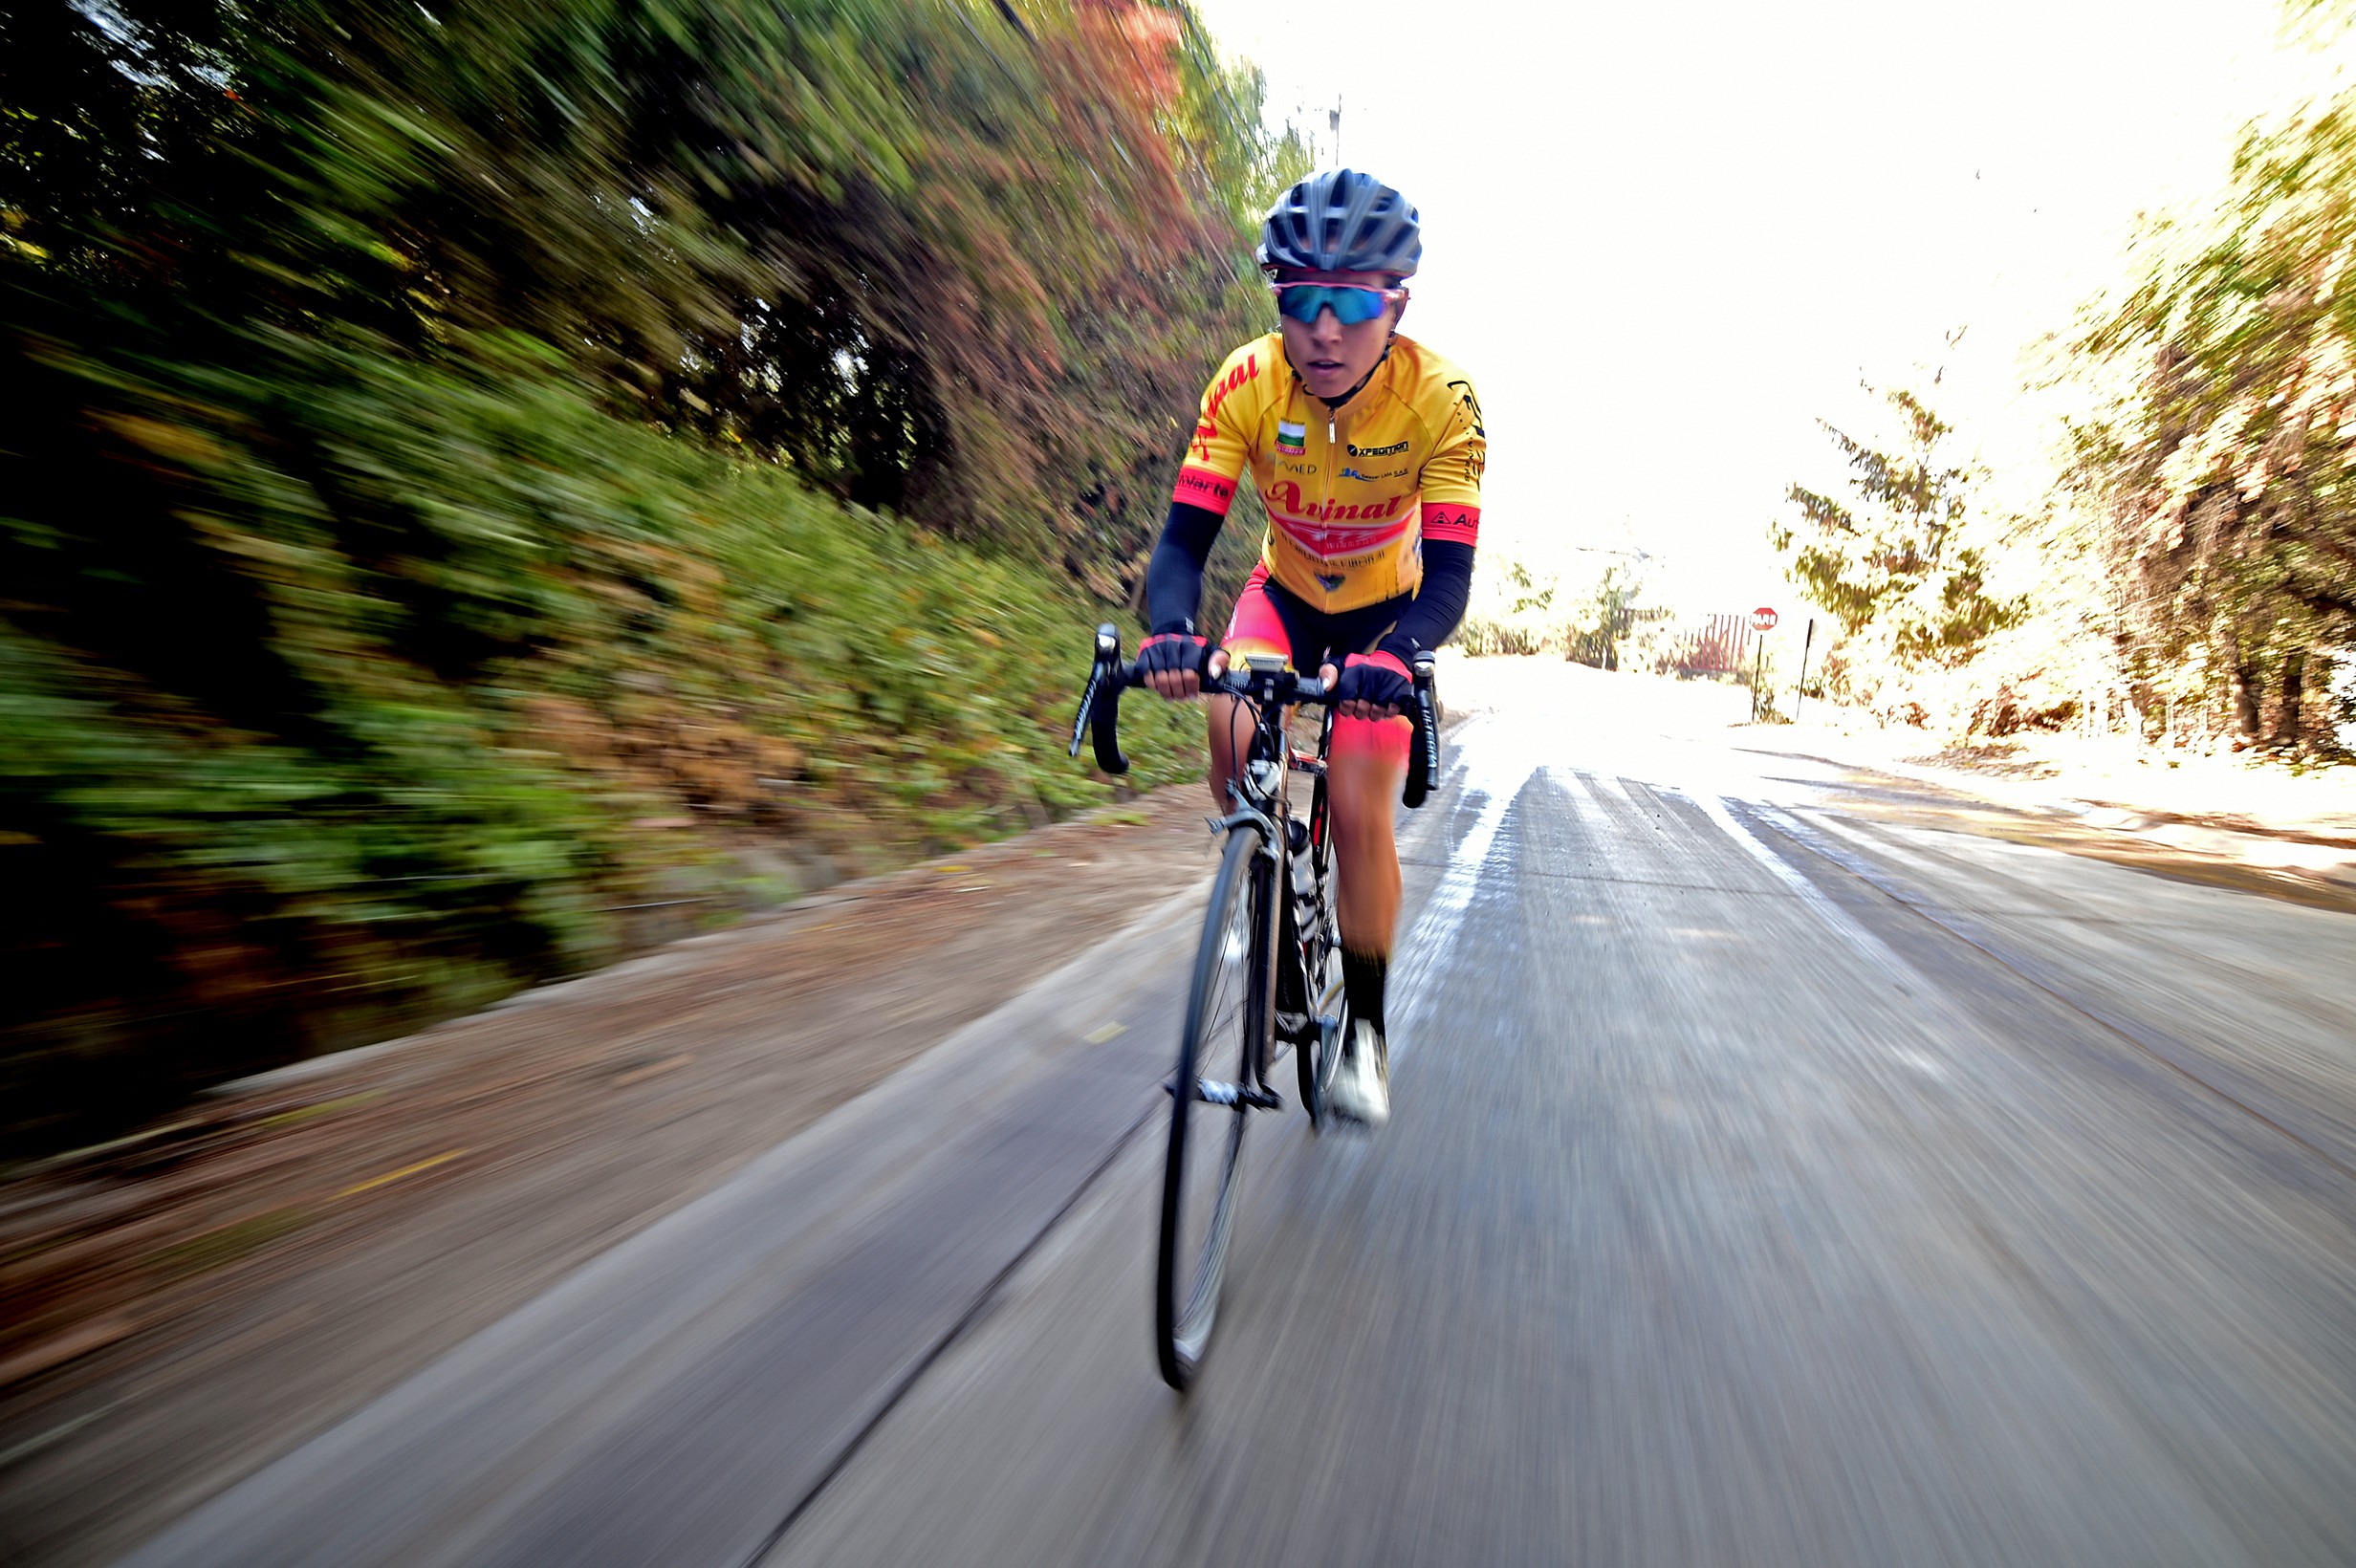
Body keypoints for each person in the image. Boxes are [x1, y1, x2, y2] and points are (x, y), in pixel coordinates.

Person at [1138, 168, 1484, 1129]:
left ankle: (1364, 1031)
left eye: (1349, 302)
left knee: (1355, 796)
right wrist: (1170, 631)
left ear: (1395, 303)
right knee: (1225, 718)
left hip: (1386, 614)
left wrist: (1401, 653)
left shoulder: (1442, 398)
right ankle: (1261, 889)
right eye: (1298, 301)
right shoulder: (1247, 379)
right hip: (1282, 592)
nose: (1322, 328)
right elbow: (1181, 544)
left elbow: (1451, 577)